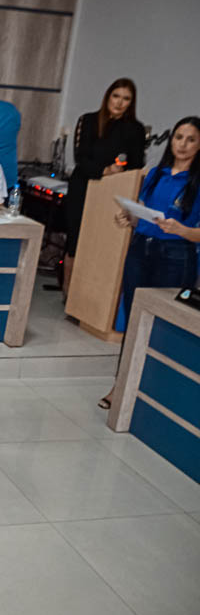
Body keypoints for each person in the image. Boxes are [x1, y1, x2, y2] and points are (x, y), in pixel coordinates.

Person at [98, 116, 200, 410]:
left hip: (176, 256)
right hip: (141, 250)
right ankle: (122, 386)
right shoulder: (156, 173)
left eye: (191, 139)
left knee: (165, 325)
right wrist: (128, 217)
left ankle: (154, 392)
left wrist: (181, 230)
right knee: (134, 321)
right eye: (178, 137)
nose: (182, 144)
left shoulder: (197, 182)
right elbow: (143, 214)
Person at [62, 78, 145, 294]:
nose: (119, 103)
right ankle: (68, 290)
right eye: (116, 96)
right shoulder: (89, 120)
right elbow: (81, 157)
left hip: (112, 192)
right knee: (76, 240)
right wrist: (104, 170)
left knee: (99, 243)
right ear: (108, 96)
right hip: (84, 186)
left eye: (126, 99)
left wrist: (119, 171)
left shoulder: (135, 129)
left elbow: (137, 163)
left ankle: (89, 294)